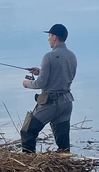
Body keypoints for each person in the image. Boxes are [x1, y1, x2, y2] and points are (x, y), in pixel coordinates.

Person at [20, 24, 77, 153]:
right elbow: (62, 74)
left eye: (50, 36)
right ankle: (65, 163)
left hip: (50, 104)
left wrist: (26, 83)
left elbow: (40, 83)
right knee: (63, 143)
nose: (48, 39)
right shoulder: (72, 55)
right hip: (67, 102)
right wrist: (41, 71)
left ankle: (27, 163)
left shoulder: (49, 57)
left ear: (55, 37)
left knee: (27, 131)